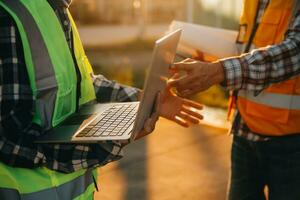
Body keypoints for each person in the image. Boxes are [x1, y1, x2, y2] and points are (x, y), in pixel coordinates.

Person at [0, 0, 203, 199]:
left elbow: (82, 83)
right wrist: (105, 146)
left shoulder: (56, 8)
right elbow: (10, 138)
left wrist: (142, 99)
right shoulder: (9, 14)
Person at [169, 0, 300, 199]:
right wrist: (211, 63)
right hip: (244, 130)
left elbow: (295, 52)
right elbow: (249, 47)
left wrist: (220, 71)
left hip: (291, 142)